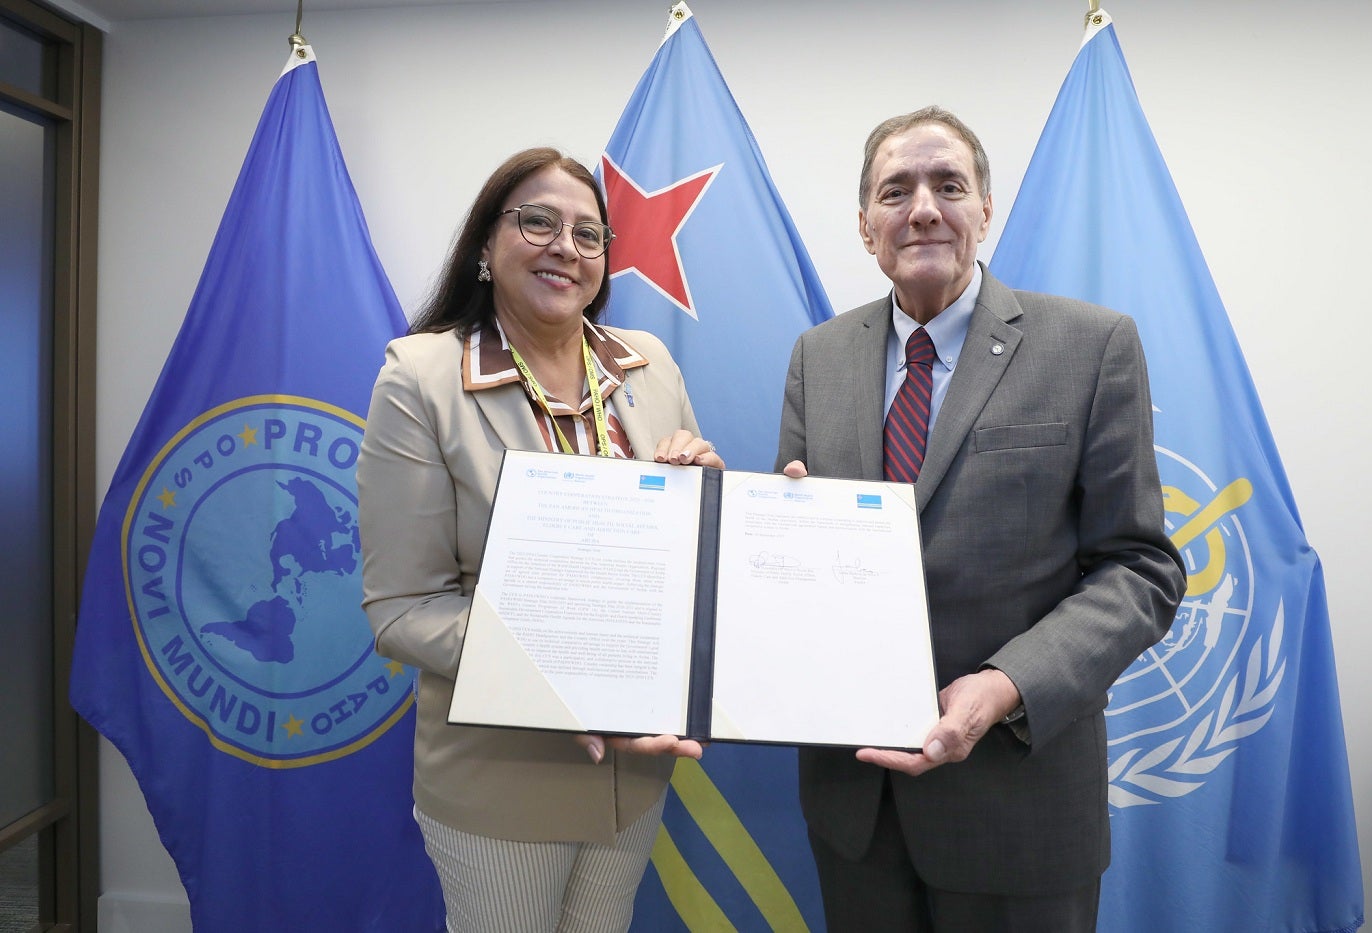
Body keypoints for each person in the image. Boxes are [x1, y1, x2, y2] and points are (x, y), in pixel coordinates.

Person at [776, 106, 1187, 931]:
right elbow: (787, 567)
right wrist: (774, 532)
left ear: (985, 209)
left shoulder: (1091, 345)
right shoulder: (818, 356)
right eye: (896, 190)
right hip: (857, 813)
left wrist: (1004, 687)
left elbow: (1141, 568)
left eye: (949, 185)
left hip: (1019, 804)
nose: (923, 208)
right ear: (865, 225)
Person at [357, 147, 722, 932]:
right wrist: (563, 672)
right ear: (486, 244)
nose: (566, 246)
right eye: (538, 222)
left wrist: (706, 494)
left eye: (589, 234)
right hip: (501, 777)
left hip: (633, 771)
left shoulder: (649, 366)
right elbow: (402, 608)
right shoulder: (420, 377)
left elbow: (684, 566)